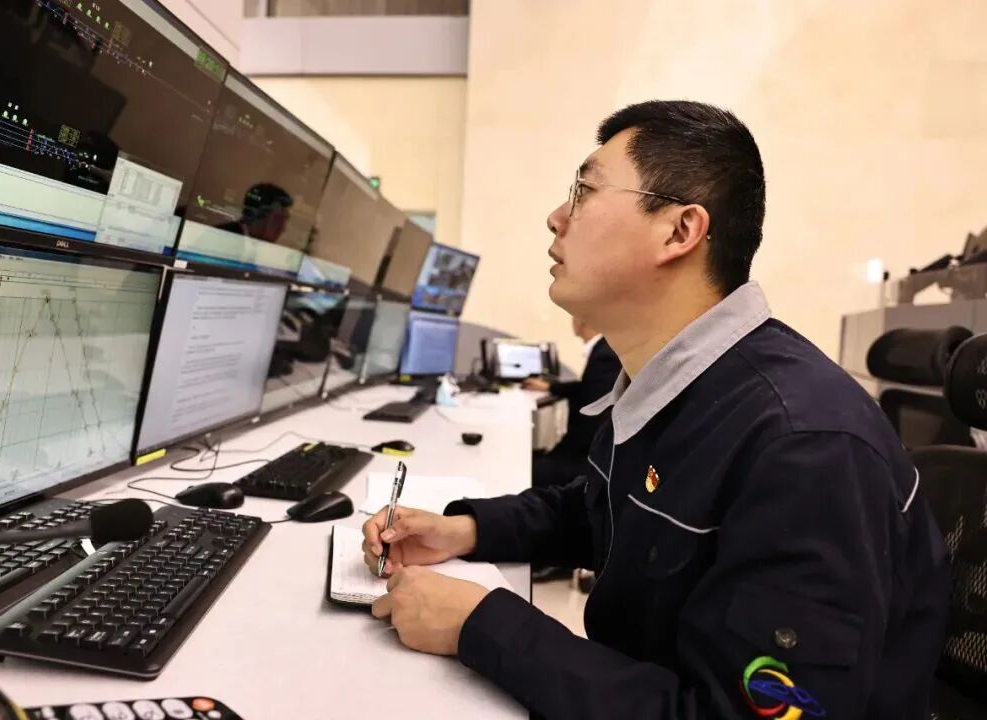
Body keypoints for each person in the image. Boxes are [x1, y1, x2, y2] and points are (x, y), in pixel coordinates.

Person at [361, 100, 950, 719]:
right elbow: (600, 509)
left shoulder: (805, 449)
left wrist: (481, 625)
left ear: (679, 231)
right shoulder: (676, 382)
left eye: (584, 190)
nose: (556, 216)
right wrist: (467, 530)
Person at [523, 316, 621, 490]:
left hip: (583, 455)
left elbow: (593, 413)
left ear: (581, 322)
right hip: (586, 449)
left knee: (527, 467)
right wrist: (550, 387)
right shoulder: (603, 349)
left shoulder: (605, 354)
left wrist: (560, 453)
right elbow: (587, 386)